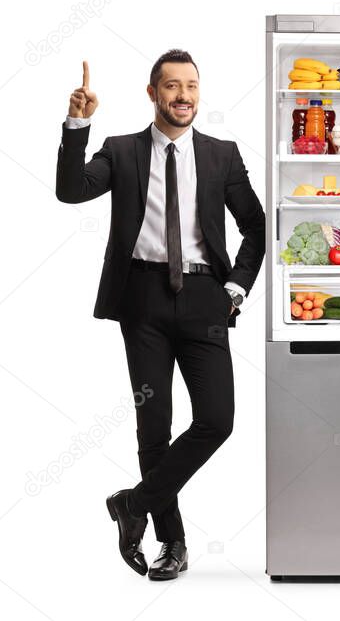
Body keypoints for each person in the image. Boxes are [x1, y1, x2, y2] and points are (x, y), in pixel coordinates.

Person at [55, 49, 265, 581]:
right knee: (154, 425)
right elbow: (70, 190)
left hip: (205, 300)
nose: (183, 96)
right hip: (142, 300)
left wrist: (235, 289)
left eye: (191, 86)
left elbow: (256, 228)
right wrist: (78, 122)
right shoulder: (122, 151)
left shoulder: (222, 155)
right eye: (172, 86)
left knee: (217, 420)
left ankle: (133, 504)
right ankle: (172, 543)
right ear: (153, 94)